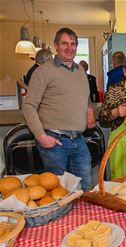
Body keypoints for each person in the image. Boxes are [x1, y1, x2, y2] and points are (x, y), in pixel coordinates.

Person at [22, 28, 96, 191]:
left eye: (73, 44)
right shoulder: (43, 71)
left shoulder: (81, 71)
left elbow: (86, 96)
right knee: (58, 192)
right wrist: (41, 136)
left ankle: (85, 218)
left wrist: (89, 109)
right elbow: (29, 106)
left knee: (86, 188)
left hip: (79, 139)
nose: (70, 48)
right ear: (56, 46)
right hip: (55, 141)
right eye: (65, 43)